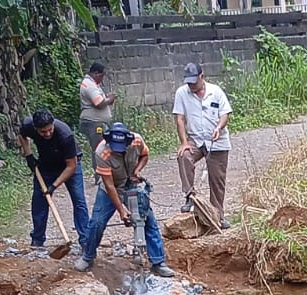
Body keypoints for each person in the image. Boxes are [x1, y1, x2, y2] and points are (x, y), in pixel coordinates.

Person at [76, 122, 179, 278]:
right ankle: (88, 257)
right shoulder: (101, 152)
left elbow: (145, 155)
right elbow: (109, 185)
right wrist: (121, 210)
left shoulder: (137, 141)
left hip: (131, 185)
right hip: (111, 189)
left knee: (148, 221)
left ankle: (158, 262)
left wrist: (137, 170)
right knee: (97, 222)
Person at [18, 108, 90, 250]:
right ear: (36, 128)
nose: (48, 133)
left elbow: (72, 166)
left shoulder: (65, 134)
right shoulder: (28, 126)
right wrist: (29, 155)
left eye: (50, 129)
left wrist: (54, 186)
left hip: (69, 164)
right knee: (39, 201)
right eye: (43, 132)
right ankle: (37, 240)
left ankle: (86, 240)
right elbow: (21, 135)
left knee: (79, 200)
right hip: (46, 166)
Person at [172, 62, 233, 227]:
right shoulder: (182, 93)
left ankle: (217, 216)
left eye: (194, 81)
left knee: (217, 179)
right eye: (189, 82)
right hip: (195, 139)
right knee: (184, 156)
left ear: (202, 77)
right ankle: (190, 196)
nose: (191, 85)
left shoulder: (216, 92)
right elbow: (180, 119)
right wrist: (184, 142)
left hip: (216, 140)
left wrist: (219, 128)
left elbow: (225, 114)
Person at [79, 61, 117, 155]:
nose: (102, 79)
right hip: (94, 123)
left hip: (97, 122)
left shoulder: (91, 83)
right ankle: (99, 169)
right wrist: (109, 99)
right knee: (99, 150)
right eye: (101, 76)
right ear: (95, 73)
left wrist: (107, 99)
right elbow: (99, 103)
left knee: (103, 149)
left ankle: (102, 168)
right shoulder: (89, 85)